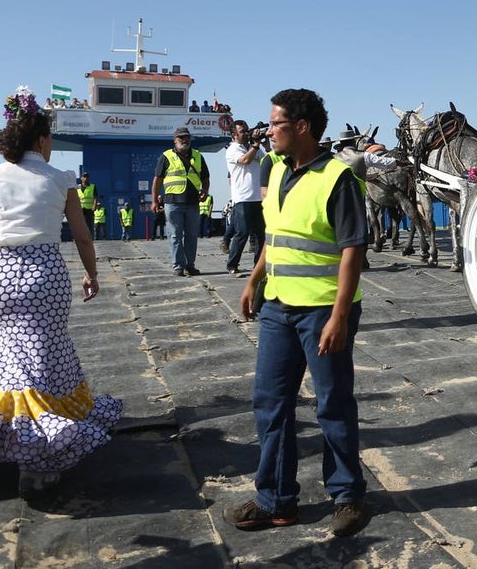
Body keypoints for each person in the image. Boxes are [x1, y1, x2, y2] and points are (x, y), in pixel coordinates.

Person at [0, 86, 120, 498]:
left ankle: (11, 438)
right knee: (42, 358)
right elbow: (82, 236)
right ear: (41, 139)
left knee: (13, 360)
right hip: (42, 276)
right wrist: (92, 275)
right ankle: (38, 457)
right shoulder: (58, 178)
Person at [225, 89, 370, 538]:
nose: (268, 131)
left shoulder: (338, 178)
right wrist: (254, 280)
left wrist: (339, 317)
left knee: (332, 404)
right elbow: (276, 236)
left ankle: (346, 496)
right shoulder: (279, 170)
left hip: (324, 310)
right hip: (278, 308)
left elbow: (352, 251)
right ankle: (275, 500)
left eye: (275, 123)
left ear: (301, 127)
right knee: (270, 402)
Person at [150, 126, 210, 276]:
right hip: (172, 202)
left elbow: (205, 178)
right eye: (181, 137)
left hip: (193, 202)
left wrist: (205, 191)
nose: (185, 140)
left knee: (191, 235)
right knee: (175, 235)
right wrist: (154, 201)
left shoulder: (198, 156)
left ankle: (190, 265)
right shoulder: (166, 156)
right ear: (174, 140)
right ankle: (178, 266)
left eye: (187, 137)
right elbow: (157, 180)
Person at [224, 120, 265, 276]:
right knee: (242, 233)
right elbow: (245, 160)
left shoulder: (255, 148)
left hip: (258, 197)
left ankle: (258, 266)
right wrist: (255, 145)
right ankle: (232, 264)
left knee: (261, 235)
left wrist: (265, 144)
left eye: (247, 130)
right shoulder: (233, 149)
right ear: (234, 134)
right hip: (242, 198)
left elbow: (266, 161)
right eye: (242, 131)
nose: (246, 133)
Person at [76, 171, 97, 236]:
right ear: (81, 178)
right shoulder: (77, 187)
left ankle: (89, 238)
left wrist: (94, 206)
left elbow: (95, 197)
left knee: (88, 224)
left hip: (89, 209)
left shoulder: (93, 186)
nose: (86, 178)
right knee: (80, 224)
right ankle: (81, 237)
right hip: (80, 209)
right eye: (84, 177)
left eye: (87, 177)